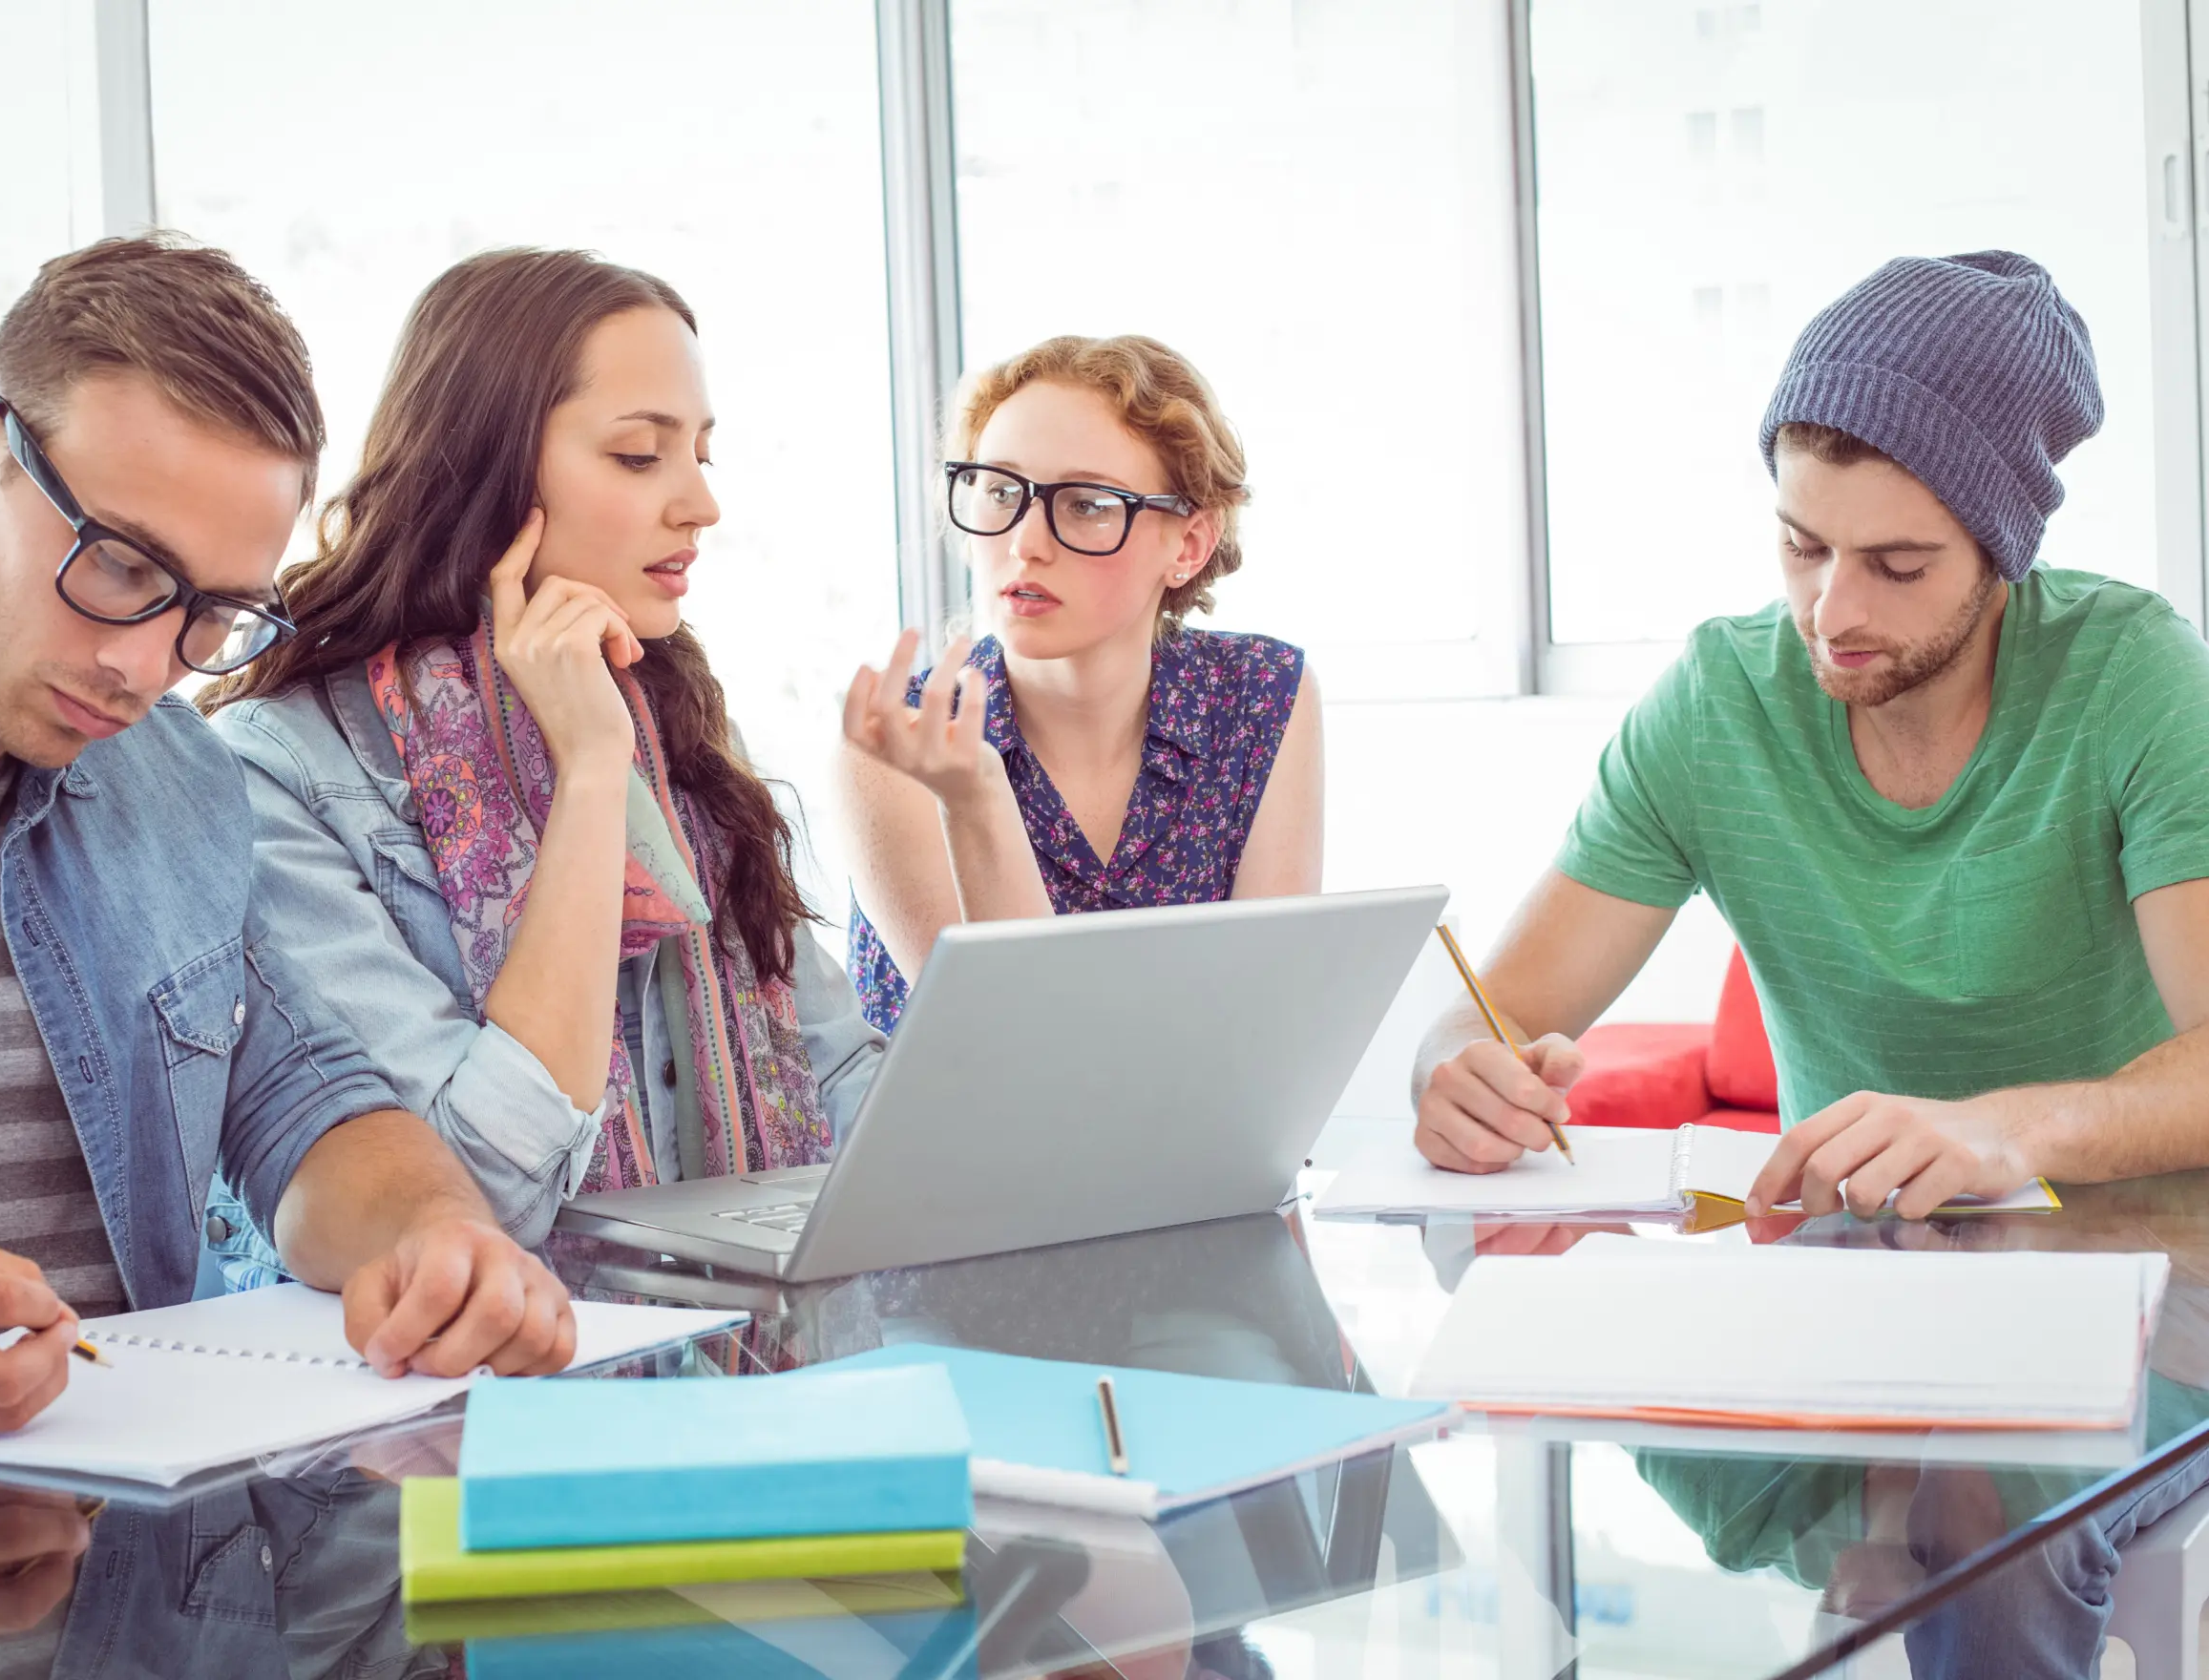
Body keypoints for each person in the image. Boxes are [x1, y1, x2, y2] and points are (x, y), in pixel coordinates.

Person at [1412, 250, 2209, 1676]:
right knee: (1580, 1370)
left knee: (1979, 1496)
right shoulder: (1721, 700)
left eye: (1896, 566)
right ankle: (1873, 1530)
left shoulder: (2127, 677)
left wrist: (1998, 1127)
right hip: (1854, 1269)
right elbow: (1500, 1011)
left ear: (2002, 549)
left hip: (2155, 1263)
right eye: (1797, 546)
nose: (1830, 610)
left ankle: (1892, 1530)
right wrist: (1457, 1071)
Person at [0, 235, 577, 1440]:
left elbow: (304, 1101)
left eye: (212, 615)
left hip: (130, 1582)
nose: (144, 667)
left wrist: (435, 1231)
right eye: (118, 566)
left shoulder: (180, 783)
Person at [194, 247, 882, 1268]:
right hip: (441, 1394)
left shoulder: (678, 722)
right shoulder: (280, 767)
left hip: (715, 1356)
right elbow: (472, 1202)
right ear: (491, 467)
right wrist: (593, 774)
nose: (700, 504)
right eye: (640, 456)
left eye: (702, 453)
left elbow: (836, 1082)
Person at [838, 334, 1324, 1032]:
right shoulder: (897, 740)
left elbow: (1265, 1026)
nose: (1024, 543)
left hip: (1195, 1137)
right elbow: (1014, 1051)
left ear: (1187, 545)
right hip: (959, 1143)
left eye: (1087, 504)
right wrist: (974, 797)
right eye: (1000, 490)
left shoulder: (1260, 694)